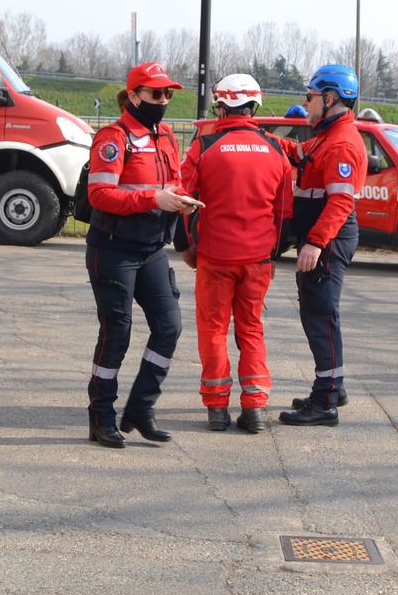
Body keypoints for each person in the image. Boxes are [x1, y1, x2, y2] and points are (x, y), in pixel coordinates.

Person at [83, 62, 198, 447]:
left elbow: (173, 182)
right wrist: (154, 198)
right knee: (117, 334)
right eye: (155, 94)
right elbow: (99, 194)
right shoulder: (113, 137)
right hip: (113, 249)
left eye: (168, 94)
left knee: (169, 327)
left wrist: (180, 200)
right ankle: (101, 416)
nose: (164, 100)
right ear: (133, 96)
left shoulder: (166, 135)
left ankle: (140, 409)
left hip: (151, 249)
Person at [177, 72, 293, 433]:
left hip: (214, 255)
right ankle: (255, 408)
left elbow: (182, 201)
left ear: (219, 105)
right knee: (251, 329)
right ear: (254, 105)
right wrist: (272, 254)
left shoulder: (204, 147)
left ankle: (216, 410)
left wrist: (187, 247)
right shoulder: (276, 150)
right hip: (257, 258)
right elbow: (284, 213)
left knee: (213, 330)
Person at [281, 65, 366, 427]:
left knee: (320, 315)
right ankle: (332, 385)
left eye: (311, 96)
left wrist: (315, 243)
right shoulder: (328, 136)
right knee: (315, 311)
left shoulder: (343, 143)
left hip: (328, 236)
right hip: (322, 233)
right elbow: (299, 154)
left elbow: (340, 203)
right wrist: (264, 139)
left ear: (329, 99)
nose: (307, 103)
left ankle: (327, 399)